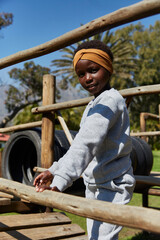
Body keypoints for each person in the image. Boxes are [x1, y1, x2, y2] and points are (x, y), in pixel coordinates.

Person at [34, 40, 135, 240]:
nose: (87, 78)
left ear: (108, 67)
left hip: (113, 184)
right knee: (94, 237)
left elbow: (86, 145)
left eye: (93, 70)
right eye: (81, 74)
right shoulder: (94, 104)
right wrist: (54, 171)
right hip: (95, 183)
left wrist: (60, 180)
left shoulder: (109, 101)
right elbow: (78, 145)